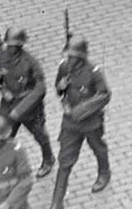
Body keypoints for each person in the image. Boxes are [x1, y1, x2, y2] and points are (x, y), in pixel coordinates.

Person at [49, 37, 110, 205]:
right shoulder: (64, 67)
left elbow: (104, 95)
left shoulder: (94, 72)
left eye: (74, 57)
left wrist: (80, 110)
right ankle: (57, 201)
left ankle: (104, 172)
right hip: (70, 124)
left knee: (98, 147)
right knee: (65, 161)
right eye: (69, 56)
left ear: (82, 56)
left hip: (91, 122)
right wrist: (60, 87)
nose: (70, 60)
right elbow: (59, 90)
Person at [0, 27, 54, 180]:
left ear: (20, 45)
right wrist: (2, 89)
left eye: (14, 45)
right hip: (8, 102)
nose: (10, 48)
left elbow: (40, 89)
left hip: (29, 106)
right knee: (3, 136)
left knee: (40, 134)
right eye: (8, 45)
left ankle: (48, 159)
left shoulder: (30, 62)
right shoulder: (0, 56)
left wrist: (19, 110)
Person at [0, 114, 33, 208]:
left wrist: (8, 203)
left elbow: (27, 180)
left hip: (12, 198)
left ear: (4, 137)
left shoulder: (16, 150)